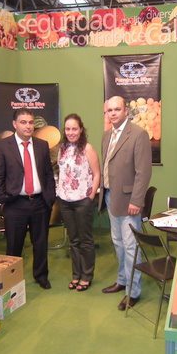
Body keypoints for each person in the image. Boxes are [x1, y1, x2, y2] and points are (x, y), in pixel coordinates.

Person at [0, 109, 56, 289]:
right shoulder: (3, 146)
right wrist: (3, 200)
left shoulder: (42, 145)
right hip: (15, 204)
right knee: (14, 245)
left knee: (40, 243)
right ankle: (12, 280)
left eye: (30, 122)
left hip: (40, 203)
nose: (28, 126)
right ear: (15, 124)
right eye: (23, 122)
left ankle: (41, 276)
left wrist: (49, 197)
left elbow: (48, 174)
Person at [99, 95, 152, 311]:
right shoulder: (106, 136)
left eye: (117, 109)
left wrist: (137, 200)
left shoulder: (138, 134)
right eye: (109, 110)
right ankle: (122, 280)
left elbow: (143, 172)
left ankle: (133, 291)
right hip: (110, 196)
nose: (112, 113)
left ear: (126, 111)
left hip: (130, 201)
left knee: (130, 246)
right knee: (118, 243)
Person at [56, 114, 101, 292]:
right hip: (65, 201)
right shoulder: (62, 148)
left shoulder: (87, 148)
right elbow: (61, 172)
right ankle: (76, 275)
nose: (71, 132)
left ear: (81, 129)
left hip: (83, 201)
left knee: (85, 240)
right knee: (73, 241)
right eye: (68, 129)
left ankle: (86, 276)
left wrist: (90, 197)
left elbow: (97, 174)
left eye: (74, 128)